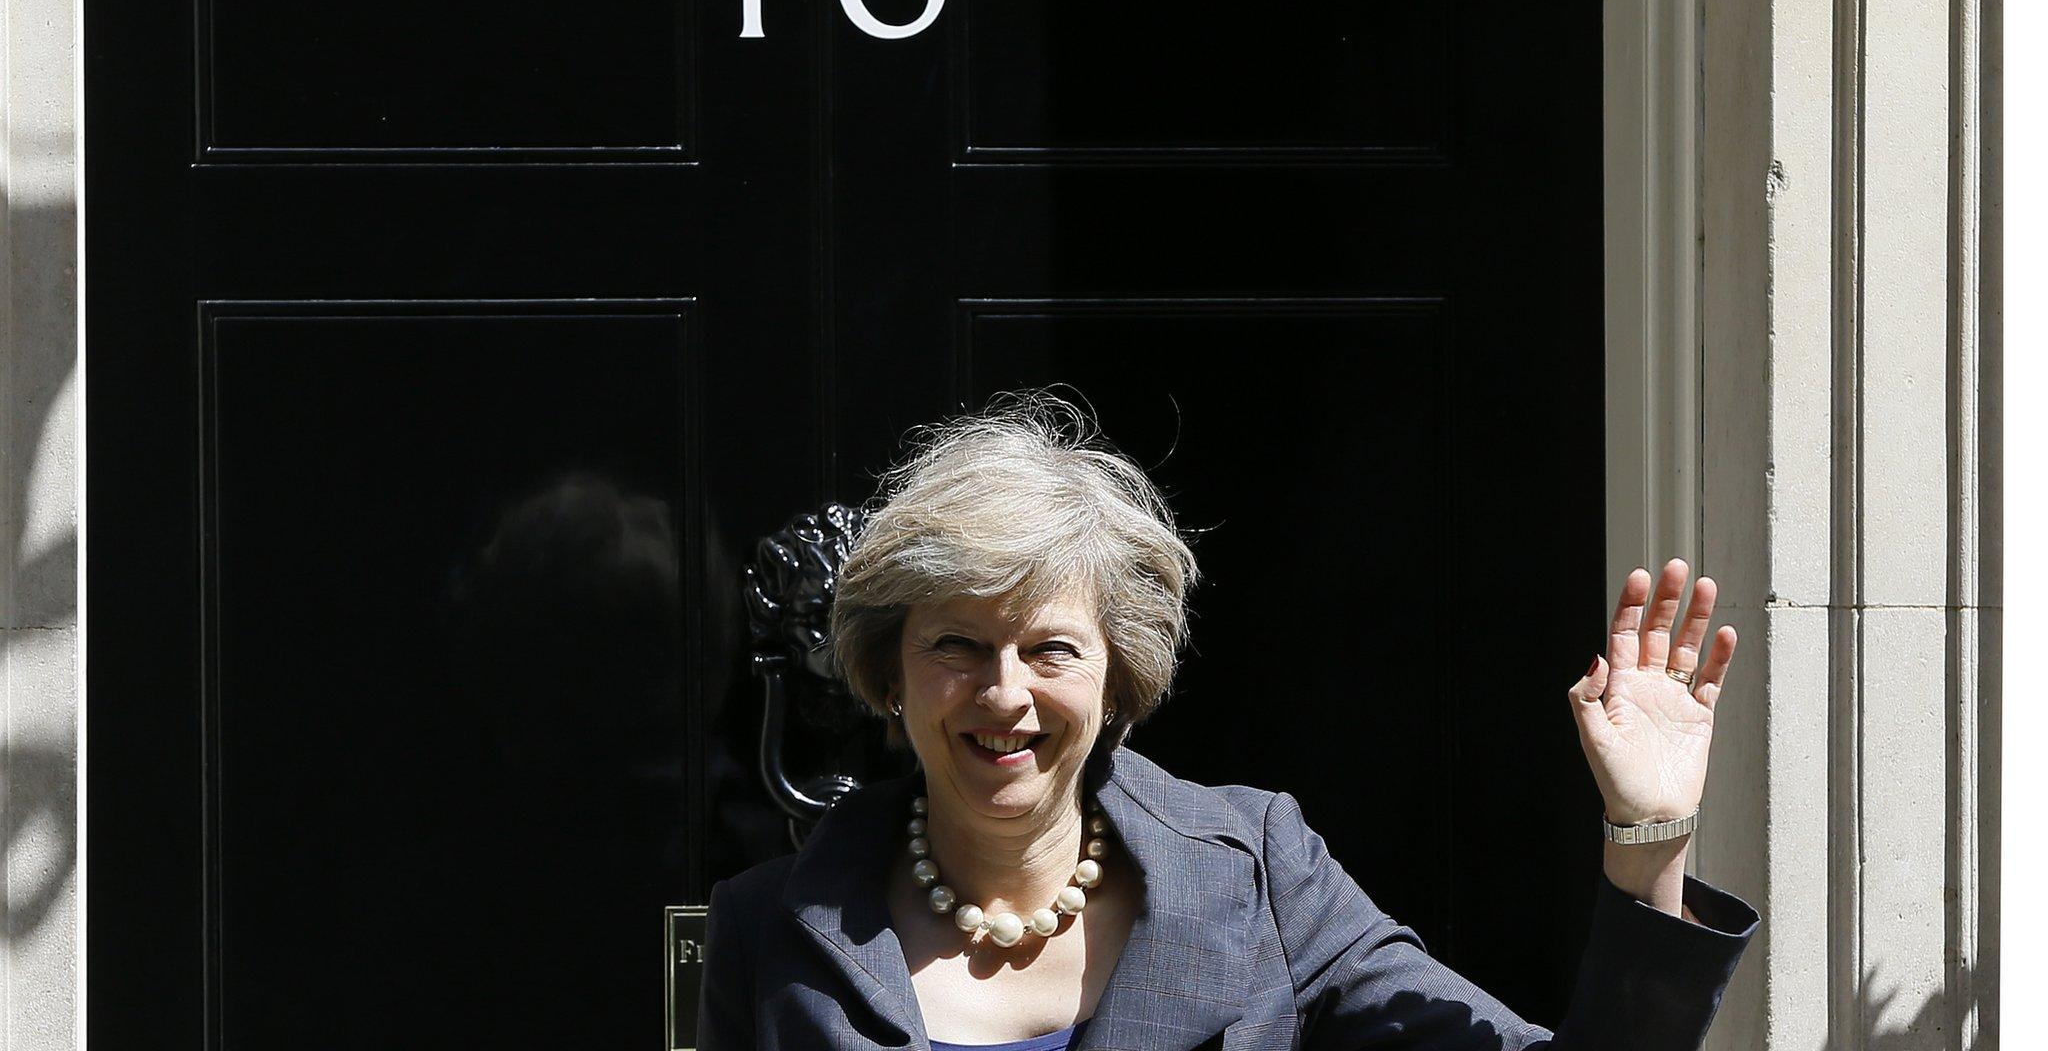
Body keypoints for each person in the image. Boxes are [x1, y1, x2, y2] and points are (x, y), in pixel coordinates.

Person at [699, 394, 1756, 1050]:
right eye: (956, 646)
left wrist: (1646, 845)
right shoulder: (767, 927)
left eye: (1050, 649)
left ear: (1118, 680)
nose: (1004, 692)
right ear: (889, 672)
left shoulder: (1258, 874)